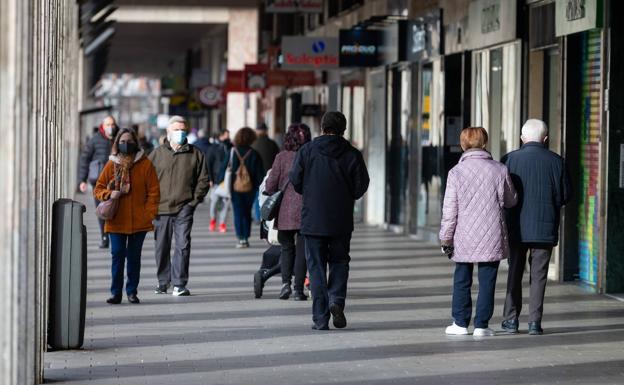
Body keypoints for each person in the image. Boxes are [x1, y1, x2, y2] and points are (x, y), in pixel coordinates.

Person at [289, 111, 369, 330]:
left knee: (315, 266)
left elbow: (295, 179)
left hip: (313, 219)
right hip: (341, 219)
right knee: (340, 262)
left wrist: (309, 190)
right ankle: (336, 300)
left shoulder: (307, 150)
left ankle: (320, 318)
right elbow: (361, 185)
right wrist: (346, 196)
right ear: (344, 129)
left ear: (322, 127)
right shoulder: (352, 153)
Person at [439, 127, 517, 337]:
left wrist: (446, 237)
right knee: (488, 279)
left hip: (463, 235)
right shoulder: (500, 169)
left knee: (462, 278)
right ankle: (482, 325)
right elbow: (511, 200)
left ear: (463, 145)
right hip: (491, 233)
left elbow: (449, 210)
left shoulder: (456, 172)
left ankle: (460, 323)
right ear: (484, 143)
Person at [501, 119, 571, 335]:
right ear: (546, 138)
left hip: (516, 228)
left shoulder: (509, 159)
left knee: (514, 272)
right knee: (539, 275)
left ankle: (511, 320)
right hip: (544, 227)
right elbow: (565, 196)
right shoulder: (557, 161)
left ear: (522, 138)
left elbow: (503, 195)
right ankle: (534, 322)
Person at [94, 128, 160, 304]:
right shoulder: (111, 164)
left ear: (135, 143)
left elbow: (154, 191)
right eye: (122, 141)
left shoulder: (145, 164)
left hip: (139, 221)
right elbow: (98, 189)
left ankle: (131, 291)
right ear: (117, 144)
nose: (126, 144)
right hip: (116, 220)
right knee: (117, 256)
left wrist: (149, 213)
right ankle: (116, 293)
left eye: (129, 141)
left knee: (134, 258)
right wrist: (110, 194)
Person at [148, 116, 210, 296]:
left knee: (183, 245)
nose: (180, 133)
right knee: (162, 246)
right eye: (176, 130)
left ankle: (179, 284)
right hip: (161, 209)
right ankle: (162, 281)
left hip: (184, 207)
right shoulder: (156, 154)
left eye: (183, 130)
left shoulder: (196, 154)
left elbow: (203, 180)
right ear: (168, 133)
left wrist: (193, 202)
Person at [265, 123, 312, 301]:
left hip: (284, 210)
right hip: (306, 209)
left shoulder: (281, 157)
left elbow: (271, 184)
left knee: (286, 248)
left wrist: (269, 192)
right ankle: (298, 290)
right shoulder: (311, 155)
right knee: (302, 251)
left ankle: (285, 284)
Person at [78, 115, 119, 248]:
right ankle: (104, 236)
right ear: (102, 126)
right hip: (99, 183)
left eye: (112, 125)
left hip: (117, 182)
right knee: (102, 210)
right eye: (108, 125)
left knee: (116, 210)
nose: (110, 127)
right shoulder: (95, 140)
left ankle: (115, 236)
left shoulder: (119, 138)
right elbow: (85, 159)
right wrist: (82, 180)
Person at [220, 127, 265, 248]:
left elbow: (223, 166)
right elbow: (260, 173)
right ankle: (246, 236)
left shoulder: (232, 152)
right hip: (250, 188)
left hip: (234, 188)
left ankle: (241, 238)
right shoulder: (254, 153)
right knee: (246, 211)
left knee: (238, 212)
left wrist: (218, 180)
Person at [208, 129, 233, 232]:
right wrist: (210, 178)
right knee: (214, 201)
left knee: (226, 203)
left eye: (228, 135)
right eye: (226, 135)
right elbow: (208, 163)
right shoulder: (213, 148)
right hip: (216, 179)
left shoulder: (231, 147)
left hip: (227, 179)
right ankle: (213, 219)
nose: (228, 137)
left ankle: (222, 223)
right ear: (221, 136)